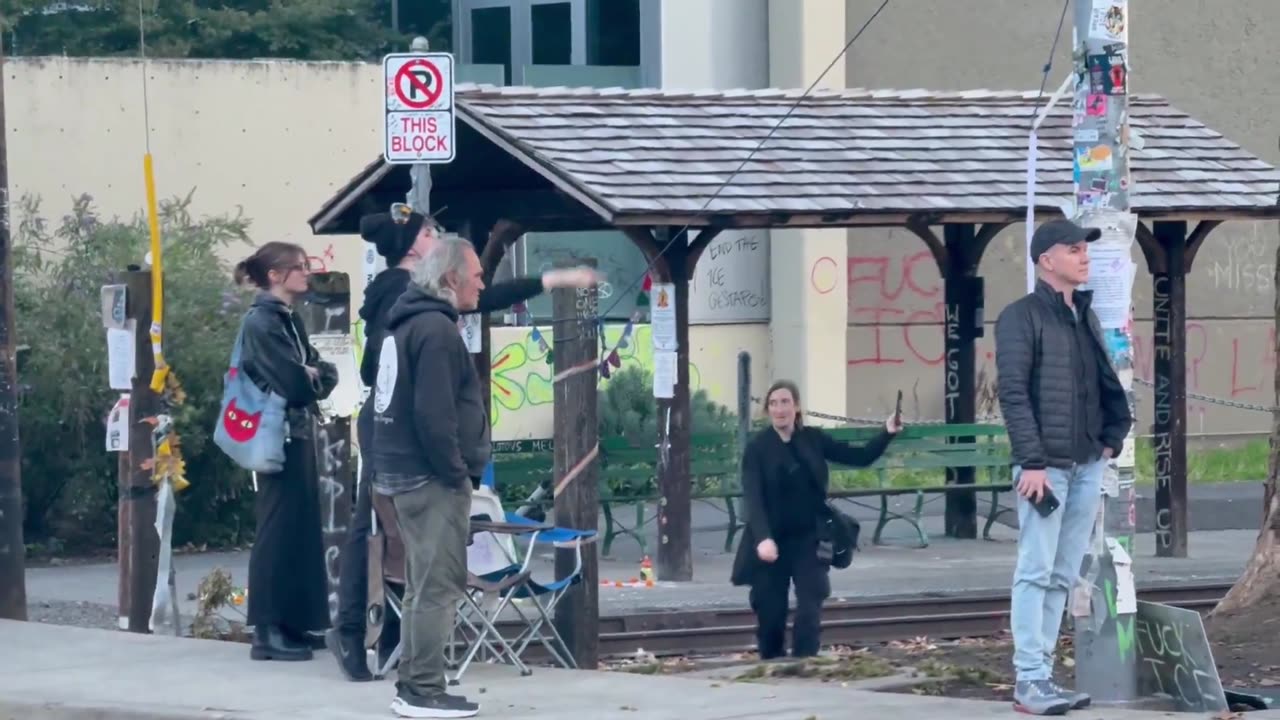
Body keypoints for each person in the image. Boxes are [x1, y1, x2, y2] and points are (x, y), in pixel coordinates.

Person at [327, 204, 599, 681]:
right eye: (432, 231)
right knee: (374, 529)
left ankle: (398, 641)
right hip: (398, 429)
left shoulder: (423, 299)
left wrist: (550, 281)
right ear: (416, 248)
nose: (440, 235)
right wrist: (455, 473)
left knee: (404, 542)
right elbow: (381, 368)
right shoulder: (401, 294)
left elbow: (484, 297)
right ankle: (353, 631)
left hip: (405, 428)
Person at [995, 219, 1132, 715]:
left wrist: (1112, 439)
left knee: (1061, 574)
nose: (1084, 256)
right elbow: (1012, 392)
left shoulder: (1083, 315)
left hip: (1086, 464)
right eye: (1073, 249)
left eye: (1085, 249)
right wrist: (1031, 461)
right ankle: (1029, 679)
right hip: (1045, 469)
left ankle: (1044, 677)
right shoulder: (1021, 317)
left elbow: (1101, 381)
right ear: (1045, 260)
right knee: (1035, 570)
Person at [370, 233, 494, 719]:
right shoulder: (437, 332)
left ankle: (414, 684)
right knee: (437, 584)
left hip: (401, 473)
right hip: (430, 479)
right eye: (477, 275)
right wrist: (457, 473)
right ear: (451, 278)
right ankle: (423, 689)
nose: (483, 284)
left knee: (423, 583)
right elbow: (434, 414)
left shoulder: (407, 324)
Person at [731, 380, 901, 660]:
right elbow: (753, 499)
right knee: (770, 610)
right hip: (771, 540)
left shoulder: (812, 439)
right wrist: (763, 538)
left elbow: (859, 456)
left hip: (809, 537)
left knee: (811, 599)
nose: (779, 409)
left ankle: (805, 661)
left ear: (796, 407)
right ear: (767, 410)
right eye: (773, 403)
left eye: (785, 402)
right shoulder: (758, 449)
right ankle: (772, 664)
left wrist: (886, 432)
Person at [232, 241, 339, 662]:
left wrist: (313, 374)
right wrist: (309, 375)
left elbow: (321, 371)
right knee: (277, 529)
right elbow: (295, 382)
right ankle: (268, 628)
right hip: (277, 435)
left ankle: (293, 622)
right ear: (275, 275)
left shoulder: (286, 321)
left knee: (299, 526)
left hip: (296, 431)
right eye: (299, 267)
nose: (307, 274)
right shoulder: (263, 322)